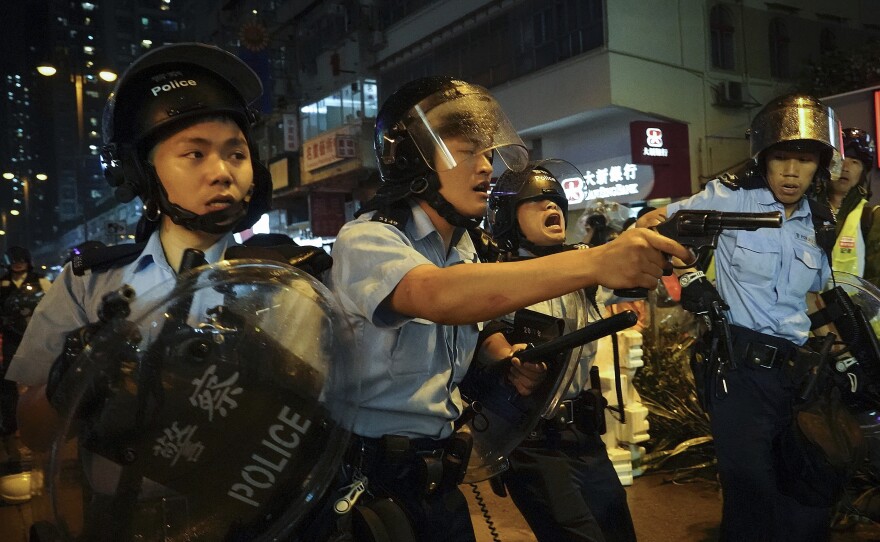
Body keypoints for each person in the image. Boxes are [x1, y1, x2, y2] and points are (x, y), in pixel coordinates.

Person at [327, 76, 691, 541]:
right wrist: (596, 260)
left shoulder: (462, 249)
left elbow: (469, 337)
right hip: (372, 479)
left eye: (487, 153)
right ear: (412, 159)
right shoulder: (368, 238)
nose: (486, 167)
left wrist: (503, 362)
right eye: (466, 152)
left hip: (438, 477)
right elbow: (434, 295)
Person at [6, 41, 272, 454]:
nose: (222, 172)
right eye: (195, 153)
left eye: (236, 153)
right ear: (141, 173)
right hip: (124, 515)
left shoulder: (285, 276)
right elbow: (35, 434)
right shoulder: (88, 284)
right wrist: (71, 381)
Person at [638, 93, 839, 542]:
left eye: (804, 161)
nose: (792, 171)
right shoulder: (731, 198)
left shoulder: (818, 221)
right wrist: (690, 280)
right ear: (764, 160)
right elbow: (651, 226)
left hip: (798, 374)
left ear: (819, 166)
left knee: (804, 496)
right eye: (782, 158)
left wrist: (837, 352)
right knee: (750, 497)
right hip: (739, 371)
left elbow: (814, 298)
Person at [483, 160, 637, 542]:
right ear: (507, 217)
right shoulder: (496, 274)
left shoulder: (583, 269)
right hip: (532, 441)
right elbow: (485, 335)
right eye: (536, 202)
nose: (552, 208)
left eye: (555, 201)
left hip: (584, 437)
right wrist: (508, 357)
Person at [0, 246, 52, 464]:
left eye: (21, 259)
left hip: (36, 340)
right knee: (10, 384)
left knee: (38, 382)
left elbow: (52, 307)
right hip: (10, 340)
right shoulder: (2, 284)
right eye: (14, 260)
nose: (17, 263)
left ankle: (41, 426)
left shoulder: (42, 282)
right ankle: (12, 428)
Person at [822, 127, 880, 285]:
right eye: (840, 160)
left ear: (862, 173)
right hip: (811, 307)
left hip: (854, 307)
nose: (845, 168)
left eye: (855, 162)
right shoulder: (807, 210)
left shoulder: (872, 217)